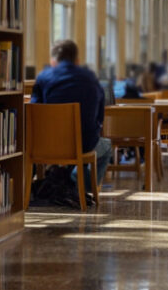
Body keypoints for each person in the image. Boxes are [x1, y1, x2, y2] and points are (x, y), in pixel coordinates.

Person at [30, 40, 113, 196]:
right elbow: (100, 117)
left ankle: (33, 185)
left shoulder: (43, 78)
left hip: (47, 145)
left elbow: (35, 110)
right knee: (107, 146)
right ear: (77, 60)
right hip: (84, 145)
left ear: (53, 60)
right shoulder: (91, 78)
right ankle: (82, 188)